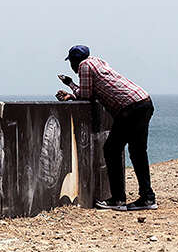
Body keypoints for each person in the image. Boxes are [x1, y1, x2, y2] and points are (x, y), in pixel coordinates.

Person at [56, 45, 156, 211]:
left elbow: (87, 95)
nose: (72, 66)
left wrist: (70, 84)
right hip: (143, 101)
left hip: (128, 108)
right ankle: (147, 197)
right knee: (138, 152)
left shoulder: (84, 66)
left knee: (111, 149)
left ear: (74, 61)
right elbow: (96, 91)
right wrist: (73, 92)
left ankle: (117, 199)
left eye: (71, 62)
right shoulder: (98, 62)